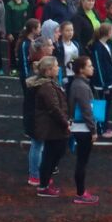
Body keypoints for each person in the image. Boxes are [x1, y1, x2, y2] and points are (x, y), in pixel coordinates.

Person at [31, 56, 70, 197]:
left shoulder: (49, 84)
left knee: (51, 154)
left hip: (52, 126)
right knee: (52, 155)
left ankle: (44, 183)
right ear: (48, 71)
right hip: (53, 127)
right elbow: (54, 108)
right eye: (55, 66)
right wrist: (65, 123)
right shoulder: (47, 87)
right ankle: (44, 186)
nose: (58, 68)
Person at [66, 56, 100, 204]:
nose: (92, 68)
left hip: (81, 128)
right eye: (89, 66)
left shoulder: (79, 84)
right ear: (81, 69)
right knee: (82, 162)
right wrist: (93, 130)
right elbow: (87, 111)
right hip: (83, 130)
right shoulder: (81, 86)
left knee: (82, 161)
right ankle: (81, 194)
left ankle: (81, 192)